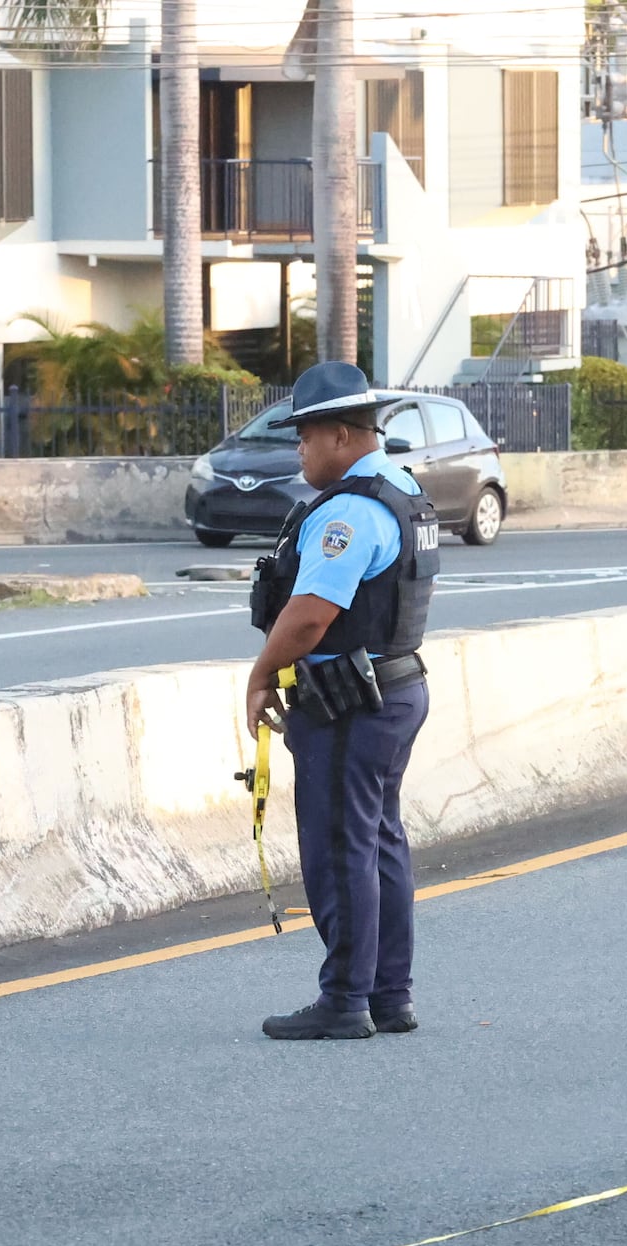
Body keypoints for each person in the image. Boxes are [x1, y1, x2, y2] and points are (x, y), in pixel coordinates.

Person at [243, 363, 439, 1041]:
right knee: (380, 839)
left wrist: (261, 673)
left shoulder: (351, 511)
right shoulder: (404, 488)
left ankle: (346, 998)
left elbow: (310, 616)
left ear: (336, 433)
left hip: (351, 700)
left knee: (340, 844)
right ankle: (389, 993)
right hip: (394, 686)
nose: (298, 449)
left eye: (303, 434)